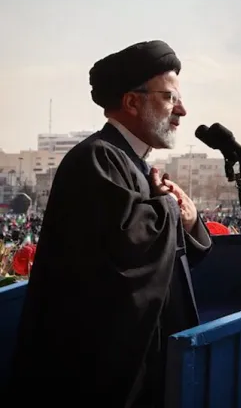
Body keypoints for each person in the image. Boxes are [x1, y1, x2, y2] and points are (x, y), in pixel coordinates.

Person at [10, 40, 212, 407]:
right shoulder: (97, 158)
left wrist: (188, 216)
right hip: (90, 372)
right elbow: (128, 246)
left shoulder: (133, 162)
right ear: (132, 102)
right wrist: (169, 207)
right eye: (169, 98)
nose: (182, 111)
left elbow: (168, 253)